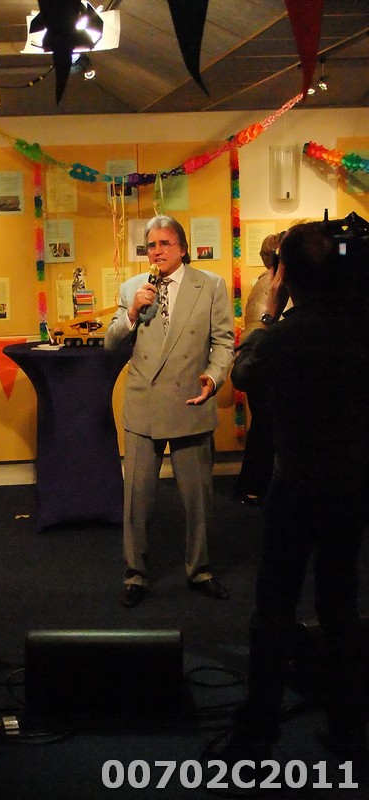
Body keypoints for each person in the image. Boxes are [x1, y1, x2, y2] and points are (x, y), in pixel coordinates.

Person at [224, 222, 369, 766]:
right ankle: (349, 728)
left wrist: (269, 311)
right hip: (351, 487)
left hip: (297, 489)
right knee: (340, 605)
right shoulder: (359, 330)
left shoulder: (282, 337)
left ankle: (257, 736)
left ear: (284, 276)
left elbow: (243, 372)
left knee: (274, 609)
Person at [105, 215, 234, 607]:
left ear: (182, 247)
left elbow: (224, 342)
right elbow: (111, 344)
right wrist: (131, 314)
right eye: (151, 245)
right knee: (137, 499)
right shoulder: (132, 288)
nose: (157, 251)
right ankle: (135, 575)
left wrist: (213, 378)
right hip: (143, 405)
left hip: (189, 401)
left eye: (164, 243)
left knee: (197, 499)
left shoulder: (210, 285)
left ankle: (200, 570)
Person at [233, 232, 286, 505]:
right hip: (265, 361)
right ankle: (254, 485)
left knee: (263, 427)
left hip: (260, 357)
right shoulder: (274, 282)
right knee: (265, 427)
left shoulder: (267, 280)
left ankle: (254, 484)